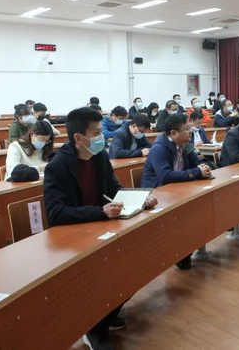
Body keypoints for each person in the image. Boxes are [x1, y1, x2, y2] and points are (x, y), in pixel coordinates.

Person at [43, 107, 156, 349]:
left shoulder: (100, 158)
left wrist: (140, 198)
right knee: (108, 274)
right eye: (96, 133)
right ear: (78, 138)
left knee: (138, 265)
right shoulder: (57, 167)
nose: (101, 137)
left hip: (102, 227)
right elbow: (55, 214)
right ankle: (94, 329)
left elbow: (114, 189)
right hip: (74, 236)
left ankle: (106, 312)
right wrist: (99, 211)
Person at [141, 113, 212, 270]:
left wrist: (204, 168)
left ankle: (186, 249)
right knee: (187, 212)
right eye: (186, 129)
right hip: (157, 194)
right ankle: (181, 252)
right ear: (173, 133)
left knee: (200, 205)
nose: (190, 132)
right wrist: (196, 172)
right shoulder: (159, 148)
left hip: (176, 190)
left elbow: (197, 163)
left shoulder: (185, 145)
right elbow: (165, 176)